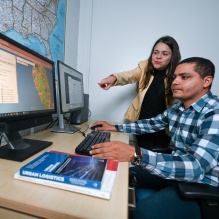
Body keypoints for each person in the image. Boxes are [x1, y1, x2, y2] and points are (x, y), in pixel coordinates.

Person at [90, 57, 219, 219]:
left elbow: (196, 168)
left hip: (202, 185)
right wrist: (115, 127)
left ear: (206, 81)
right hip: (177, 171)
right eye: (174, 77)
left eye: (184, 77)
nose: (175, 82)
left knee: (142, 213)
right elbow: (151, 124)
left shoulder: (214, 114)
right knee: (124, 174)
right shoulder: (178, 108)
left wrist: (136, 154)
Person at [98, 35, 181, 150]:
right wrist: (113, 78)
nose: (158, 57)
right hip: (142, 123)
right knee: (142, 155)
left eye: (165, 54)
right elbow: (129, 75)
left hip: (163, 126)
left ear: (173, 57)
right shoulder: (145, 67)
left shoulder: (176, 75)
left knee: (158, 155)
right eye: (155, 52)